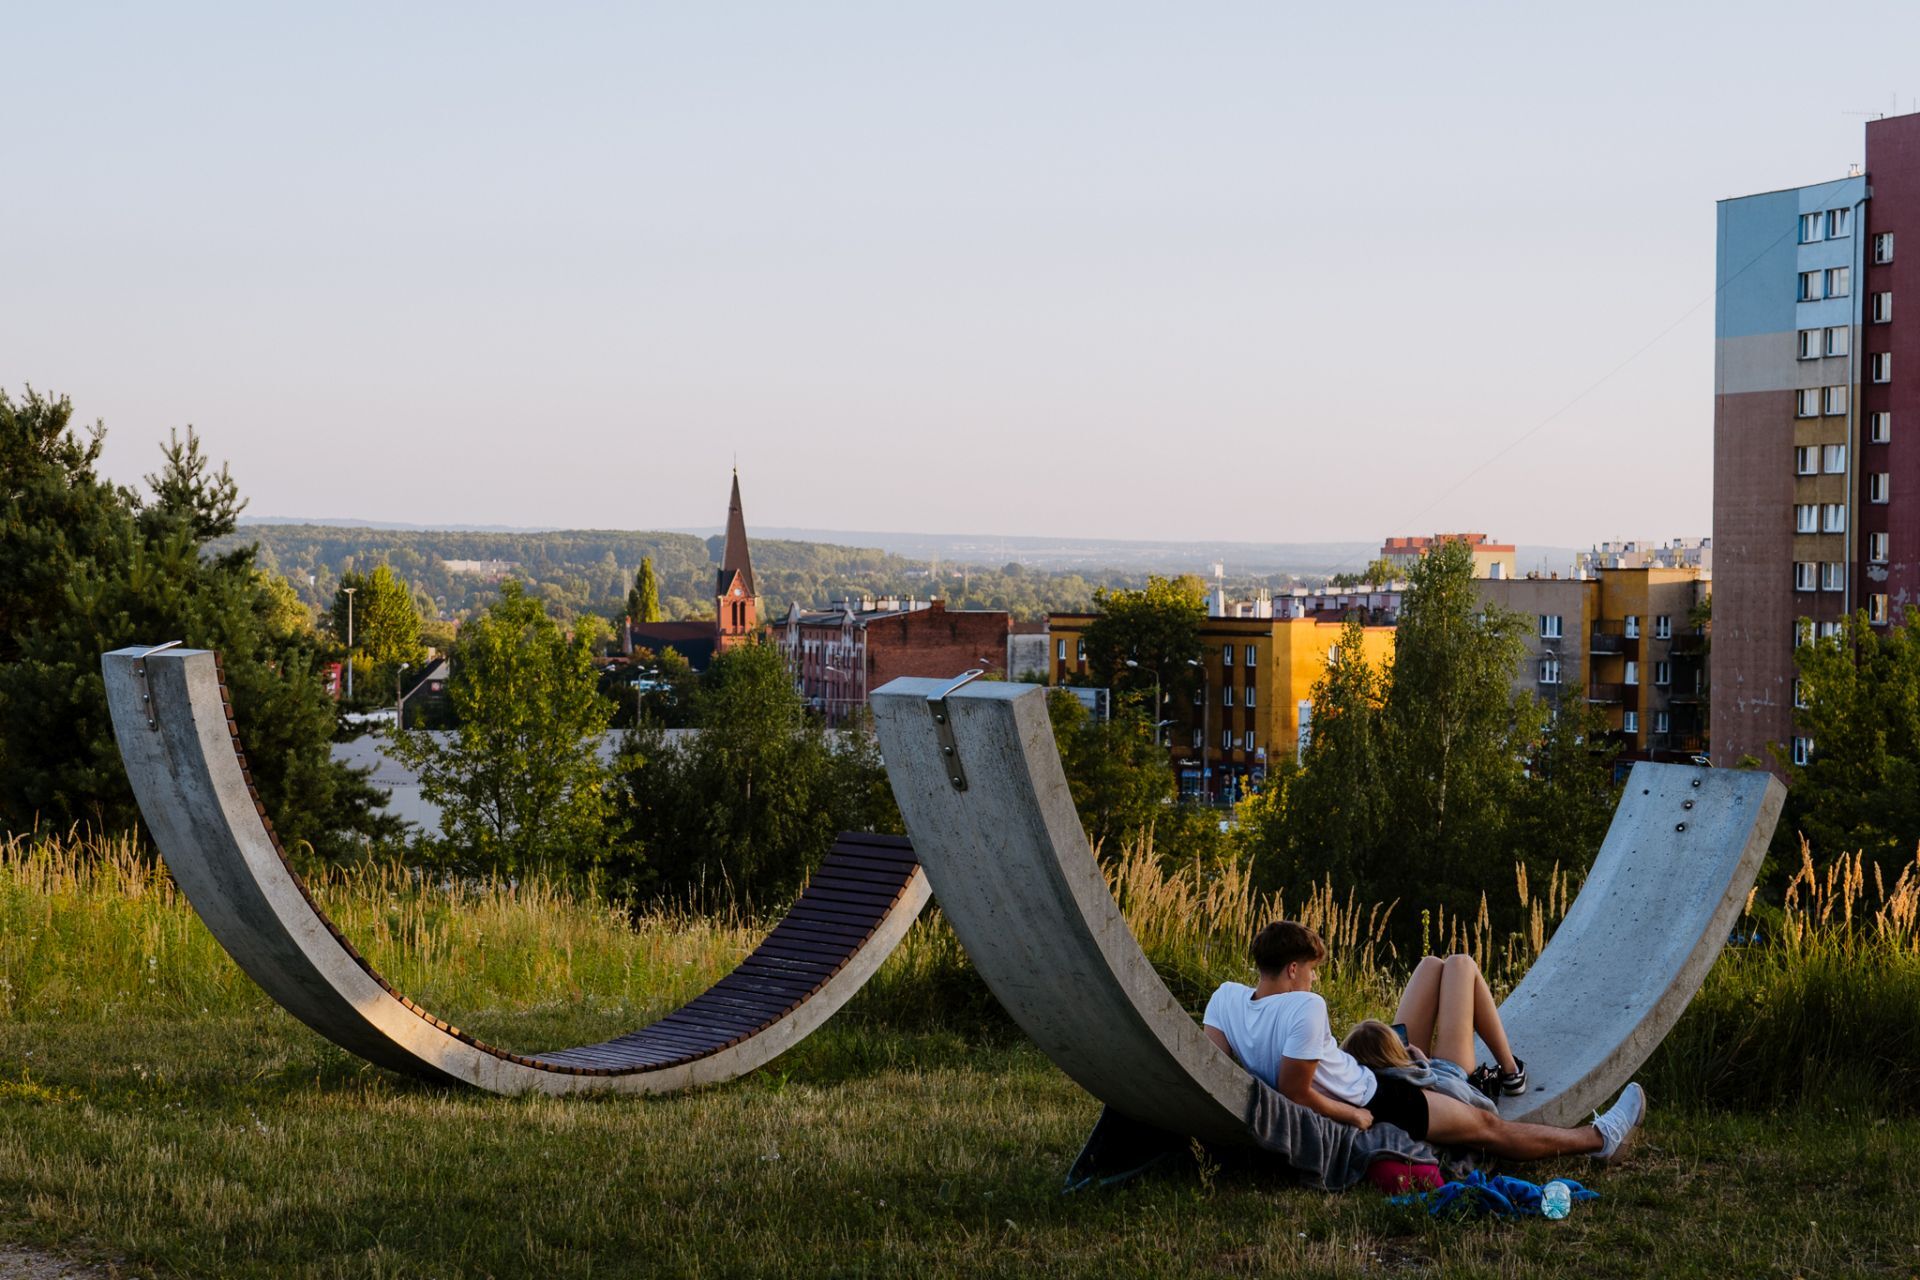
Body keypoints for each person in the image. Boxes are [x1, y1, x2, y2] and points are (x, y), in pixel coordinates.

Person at [1201, 921, 1644, 1163]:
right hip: (1382, 1095)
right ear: (1294, 968)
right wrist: (1354, 1114)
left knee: (1434, 965)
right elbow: (1296, 1090)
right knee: (1490, 1130)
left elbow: (1216, 1069)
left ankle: (1509, 1073)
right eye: (1312, 969)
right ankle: (1598, 1138)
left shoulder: (1226, 998)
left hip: (1371, 1067)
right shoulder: (1306, 1006)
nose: (1314, 978)